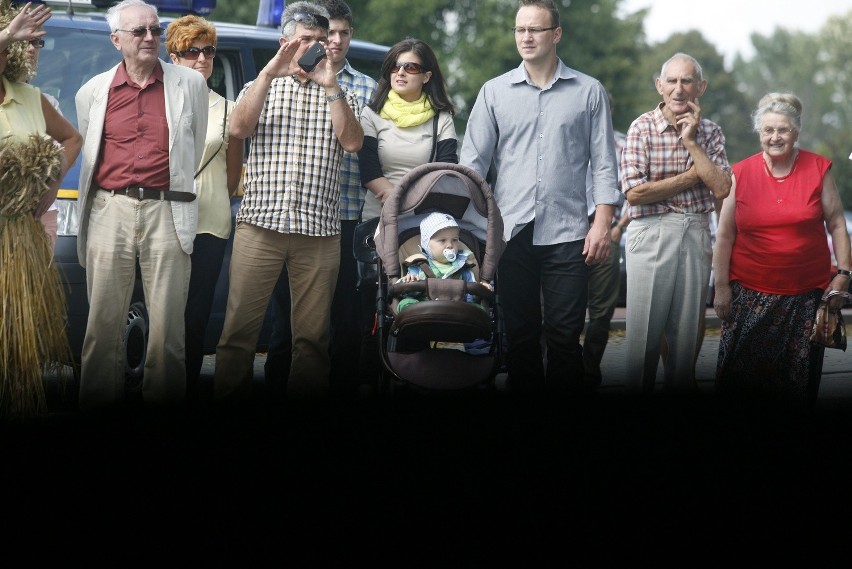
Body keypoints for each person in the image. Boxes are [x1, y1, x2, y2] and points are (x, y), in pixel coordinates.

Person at [460, 0, 620, 394]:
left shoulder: (589, 91)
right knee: (520, 338)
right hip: (510, 233)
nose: (526, 37)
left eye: (535, 29)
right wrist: (476, 231)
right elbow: (472, 167)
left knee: (566, 338)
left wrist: (601, 225)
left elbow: (603, 165)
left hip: (568, 233)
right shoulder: (494, 92)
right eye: (520, 30)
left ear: (556, 35)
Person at [213, 1, 363, 402]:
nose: (315, 48)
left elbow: (352, 143)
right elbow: (239, 128)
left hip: (319, 232)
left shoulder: (342, 92)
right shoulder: (259, 86)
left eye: (320, 41)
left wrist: (330, 85)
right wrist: (268, 72)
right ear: (285, 42)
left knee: (313, 340)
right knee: (238, 334)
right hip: (260, 225)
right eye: (304, 41)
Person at [75, 0, 209, 411]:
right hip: (108, 209)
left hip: (167, 210)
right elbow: (91, 150)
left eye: (155, 28)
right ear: (117, 40)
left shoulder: (189, 84)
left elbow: (196, 143)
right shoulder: (92, 91)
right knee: (102, 326)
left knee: (168, 328)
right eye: (139, 32)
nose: (150, 37)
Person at [264, 0, 377, 400]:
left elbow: (366, 153)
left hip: (346, 217)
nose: (336, 41)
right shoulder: (287, 78)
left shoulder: (364, 86)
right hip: (298, 217)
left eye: (344, 33)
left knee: (344, 320)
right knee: (286, 323)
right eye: (329, 33)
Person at [713, 92, 851, 407]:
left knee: (797, 383)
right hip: (749, 296)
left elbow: (838, 225)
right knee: (742, 381)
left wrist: (843, 273)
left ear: (796, 131)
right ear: (759, 133)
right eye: (768, 130)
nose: (775, 137)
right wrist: (721, 287)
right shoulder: (741, 172)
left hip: (806, 298)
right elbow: (724, 235)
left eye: (783, 130)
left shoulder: (818, 168)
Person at [620, 52, 731, 395]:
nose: (679, 89)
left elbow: (722, 187)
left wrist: (691, 142)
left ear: (701, 87)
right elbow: (635, 193)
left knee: (686, 341)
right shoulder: (641, 127)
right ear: (659, 85)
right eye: (672, 81)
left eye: (687, 81)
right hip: (651, 231)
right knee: (643, 342)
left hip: (696, 229)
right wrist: (692, 177)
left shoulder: (710, 132)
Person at [356, 37, 457, 380]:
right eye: (395, 67)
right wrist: (397, 202)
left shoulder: (441, 117)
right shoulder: (371, 114)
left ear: (426, 75)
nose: (400, 73)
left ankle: (415, 374)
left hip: (422, 226)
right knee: (375, 309)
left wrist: (411, 206)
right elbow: (369, 171)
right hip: (378, 222)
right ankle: (372, 376)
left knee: (416, 303)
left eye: (410, 67)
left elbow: (446, 171)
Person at [0, 2, 82, 419]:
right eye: (23, 42)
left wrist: (47, 188)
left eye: (38, 43)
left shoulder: (33, 98)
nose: (32, 50)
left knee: (16, 349)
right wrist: (5, 36)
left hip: (19, 240)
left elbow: (71, 139)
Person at [165, 14, 243, 401]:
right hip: (161, 219)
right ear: (173, 57)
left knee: (196, 314)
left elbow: (233, 175)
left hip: (210, 219)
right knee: (163, 310)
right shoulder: (157, 100)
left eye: (208, 51)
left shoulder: (228, 108)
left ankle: (187, 389)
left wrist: (211, 196)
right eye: (190, 51)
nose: (201, 58)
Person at [583, 127, 626, 389]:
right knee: (558, 309)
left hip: (608, 230)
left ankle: (589, 370)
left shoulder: (623, 143)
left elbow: (636, 184)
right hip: (567, 232)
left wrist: (619, 227)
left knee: (602, 311)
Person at [395, 212, 480, 312]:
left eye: (455, 240)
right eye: (442, 240)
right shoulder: (418, 266)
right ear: (427, 245)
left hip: (457, 310)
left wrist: (480, 289)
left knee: (480, 310)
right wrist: (408, 281)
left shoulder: (464, 266)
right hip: (425, 310)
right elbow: (405, 292)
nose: (450, 245)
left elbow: (472, 296)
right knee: (405, 303)